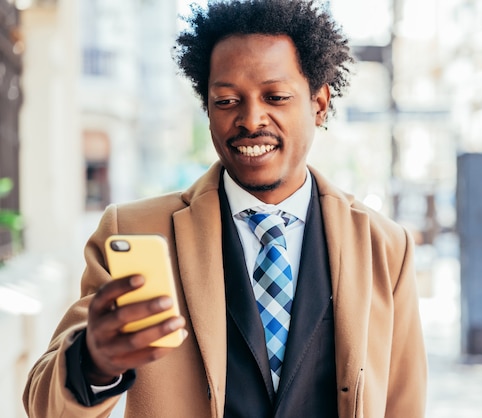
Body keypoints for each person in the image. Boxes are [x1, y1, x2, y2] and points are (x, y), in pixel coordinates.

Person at [23, 0, 427, 416]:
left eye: (275, 96)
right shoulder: (133, 231)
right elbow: (44, 405)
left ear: (319, 104)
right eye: (227, 101)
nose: (251, 119)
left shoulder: (385, 246)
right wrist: (93, 363)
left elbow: (404, 403)